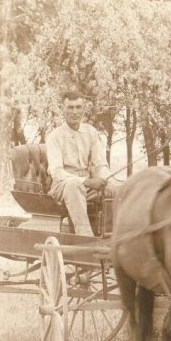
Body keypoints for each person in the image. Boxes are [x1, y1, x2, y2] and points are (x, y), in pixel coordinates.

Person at [47, 92, 115, 236]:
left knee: (117, 189)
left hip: (89, 186)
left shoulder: (91, 132)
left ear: (83, 109)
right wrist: (87, 181)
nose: (75, 112)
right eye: (70, 107)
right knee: (74, 185)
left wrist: (104, 180)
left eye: (78, 107)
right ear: (63, 109)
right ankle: (85, 238)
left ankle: (112, 237)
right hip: (62, 186)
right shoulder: (54, 136)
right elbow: (57, 173)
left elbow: (101, 163)